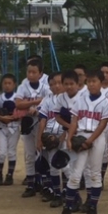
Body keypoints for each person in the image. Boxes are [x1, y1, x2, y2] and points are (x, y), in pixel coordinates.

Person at [60, 70, 108, 214]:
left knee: (95, 173)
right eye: (89, 81)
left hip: (96, 138)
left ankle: (92, 208)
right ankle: (68, 208)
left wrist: (89, 142)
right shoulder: (81, 99)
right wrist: (70, 139)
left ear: (101, 83)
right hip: (80, 135)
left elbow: (103, 125)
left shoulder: (105, 102)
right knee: (76, 173)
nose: (91, 84)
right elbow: (74, 121)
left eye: (94, 81)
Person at [16, 58, 50, 198]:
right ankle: (31, 184)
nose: (30, 74)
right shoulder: (23, 86)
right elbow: (18, 104)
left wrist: (31, 104)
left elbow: (48, 102)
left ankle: (44, 183)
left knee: (42, 153)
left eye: (34, 72)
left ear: (40, 73)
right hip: (27, 122)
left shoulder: (46, 86)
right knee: (29, 154)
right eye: (29, 72)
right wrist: (38, 101)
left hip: (42, 122)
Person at [36, 72, 64, 205]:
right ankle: (57, 194)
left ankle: (71, 195)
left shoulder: (71, 99)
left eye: (59, 82)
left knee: (68, 168)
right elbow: (42, 119)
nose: (56, 86)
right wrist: (39, 138)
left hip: (64, 136)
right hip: (50, 136)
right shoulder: (48, 99)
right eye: (52, 84)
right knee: (53, 166)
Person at [0, 73, 20, 186]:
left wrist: (13, 117)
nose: (7, 85)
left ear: (14, 85)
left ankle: (10, 175)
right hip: (2, 127)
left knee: (12, 152)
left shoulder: (18, 98)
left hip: (14, 127)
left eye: (9, 83)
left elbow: (22, 112)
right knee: (1, 153)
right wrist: (2, 117)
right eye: (5, 83)